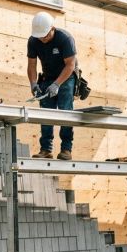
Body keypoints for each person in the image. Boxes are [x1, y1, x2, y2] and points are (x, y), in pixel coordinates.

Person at [27, 11, 77, 160]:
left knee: (65, 112)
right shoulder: (33, 40)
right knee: (46, 113)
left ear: (52, 28)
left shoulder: (65, 39)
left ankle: (66, 149)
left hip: (66, 77)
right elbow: (31, 65)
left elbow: (70, 65)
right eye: (40, 36)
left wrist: (57, 84)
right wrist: (34, 83)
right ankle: (46, 149)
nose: (43, 39)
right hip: (47, 77)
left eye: (46, 35)